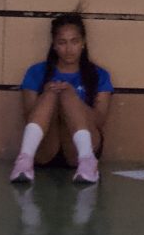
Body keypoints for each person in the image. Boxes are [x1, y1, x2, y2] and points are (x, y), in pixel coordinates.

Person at [11, 11, 114, 185]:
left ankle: (87, 162)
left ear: (83, 43)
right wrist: (47, 94)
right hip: (46, 148)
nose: (68, 49)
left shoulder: (99, 75)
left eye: (74, 41)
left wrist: (74, 98)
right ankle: (24, 161)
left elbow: (99, 121)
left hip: (78, 149)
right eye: (62, 42)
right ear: (54, 45)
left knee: (66, 93)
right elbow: (29, 117)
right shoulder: (36, 72)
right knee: (52, 92)